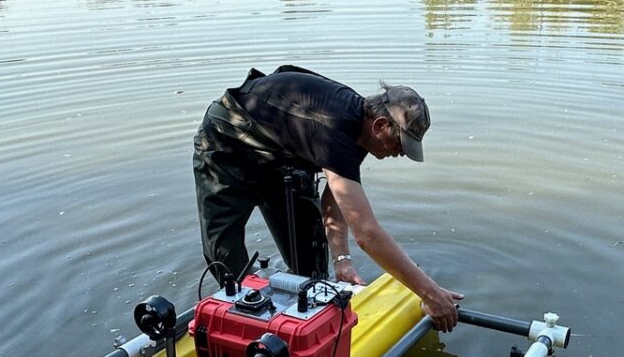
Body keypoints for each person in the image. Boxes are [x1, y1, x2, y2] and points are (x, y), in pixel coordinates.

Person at [193, 65, 462, 331]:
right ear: (380, 125)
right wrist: (431, 294)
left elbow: (337, 197)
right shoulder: (335, 130)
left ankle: (307, 327)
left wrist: (341, 260)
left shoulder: (361, 127)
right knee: (228, 264)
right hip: (227, 144)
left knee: (312, 263)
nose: (401, 153)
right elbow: (366, 233)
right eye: (400, 144)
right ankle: (246, 326)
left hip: (282, 156)